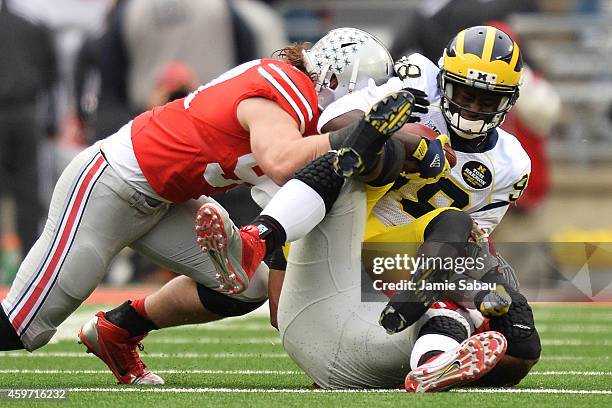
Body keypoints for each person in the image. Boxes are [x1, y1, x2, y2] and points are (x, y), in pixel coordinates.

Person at [0, 28, 413, 385]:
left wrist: (300, 331)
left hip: (164, 203)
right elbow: (282, 161)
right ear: (335, 80)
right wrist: (355, 138)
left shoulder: (303, 121)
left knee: (246, 282)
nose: (356, 117)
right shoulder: (287, 83)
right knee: (20, 330)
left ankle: (118, 331)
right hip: (110, 185)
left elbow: (283, 232)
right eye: (360, 106)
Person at [198, 25, 540, 390]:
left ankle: (430, 358)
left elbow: (474, 234)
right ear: (443, 82)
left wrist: (488, 288)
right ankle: (263, 237)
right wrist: (410, 142)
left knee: (518, 336)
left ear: (509, 100)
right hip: (345, 224)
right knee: (375, 152)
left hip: (409, 254)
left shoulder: (512, 162)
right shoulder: (418, 82)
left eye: (487, 100)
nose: (472, 108)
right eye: (464, 94)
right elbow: (339, 126)